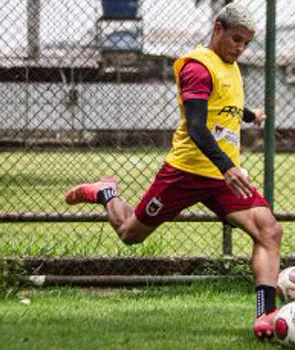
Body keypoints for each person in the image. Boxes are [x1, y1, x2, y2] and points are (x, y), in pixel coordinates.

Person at [64, 3, 282, 340]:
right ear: (218, 29)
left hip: (223, 179)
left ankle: (266, 315)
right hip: (186, 172)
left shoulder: (232, 66)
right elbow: (196, 125)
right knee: (129, 234)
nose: (240, 48)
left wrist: (250, 116)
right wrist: (227, 167)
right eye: (236, 39)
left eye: (246, 43)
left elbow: (224, 106)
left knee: (269, 231)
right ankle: (106, 192)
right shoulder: (197, 67)